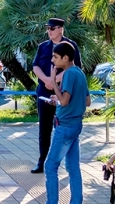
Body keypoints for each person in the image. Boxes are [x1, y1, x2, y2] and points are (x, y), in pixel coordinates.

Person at [31, 17, 82, 173]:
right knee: (44, 128)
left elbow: (75, 68)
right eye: (47, 28)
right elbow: (35, 66)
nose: (49, 31)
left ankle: (67, 164)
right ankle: (42, 161)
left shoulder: (70, 46)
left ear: (60, 29)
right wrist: (46, 80)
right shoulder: (43, 47)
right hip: (45, 92)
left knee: (63, 128)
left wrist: (55, 81)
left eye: (52, 28)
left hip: (64, 93)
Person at [44, 41, 90, 204]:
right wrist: (59, 98)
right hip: (75, 125)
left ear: (65, 58)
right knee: (72, 168)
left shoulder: (69, 74)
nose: (53, 60)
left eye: (55, 57)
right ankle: (76, 201)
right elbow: (87, 101)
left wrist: (54, 83)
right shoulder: (79, 73)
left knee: (50, 166)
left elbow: (64, 102)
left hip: (65, 126)